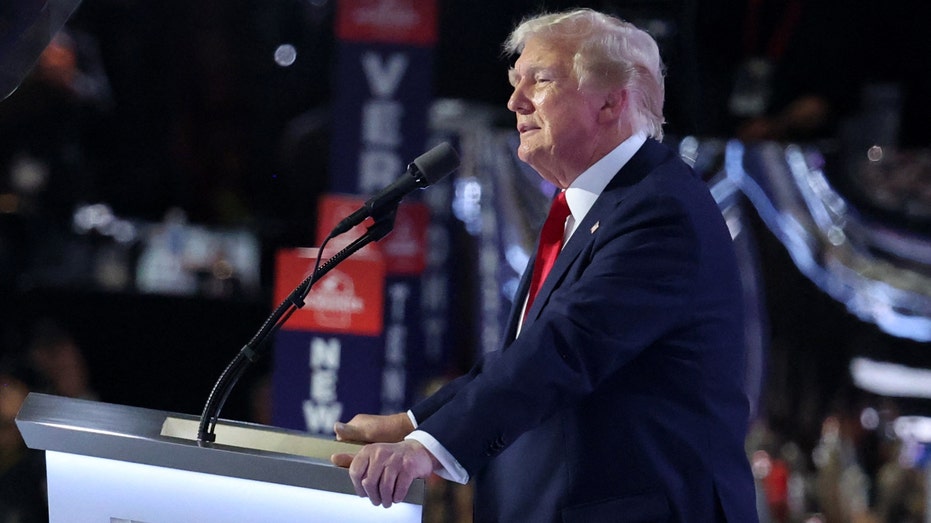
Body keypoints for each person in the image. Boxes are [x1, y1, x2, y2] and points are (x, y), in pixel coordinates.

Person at [330, 8, 758, 522]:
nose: (515, 101)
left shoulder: (660, 212)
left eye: (541, 80)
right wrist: (414, 421)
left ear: (610, 102)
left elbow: (564, 348)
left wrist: (426, 448)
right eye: (516, 81)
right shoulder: (592, 206)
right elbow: (527, 352)